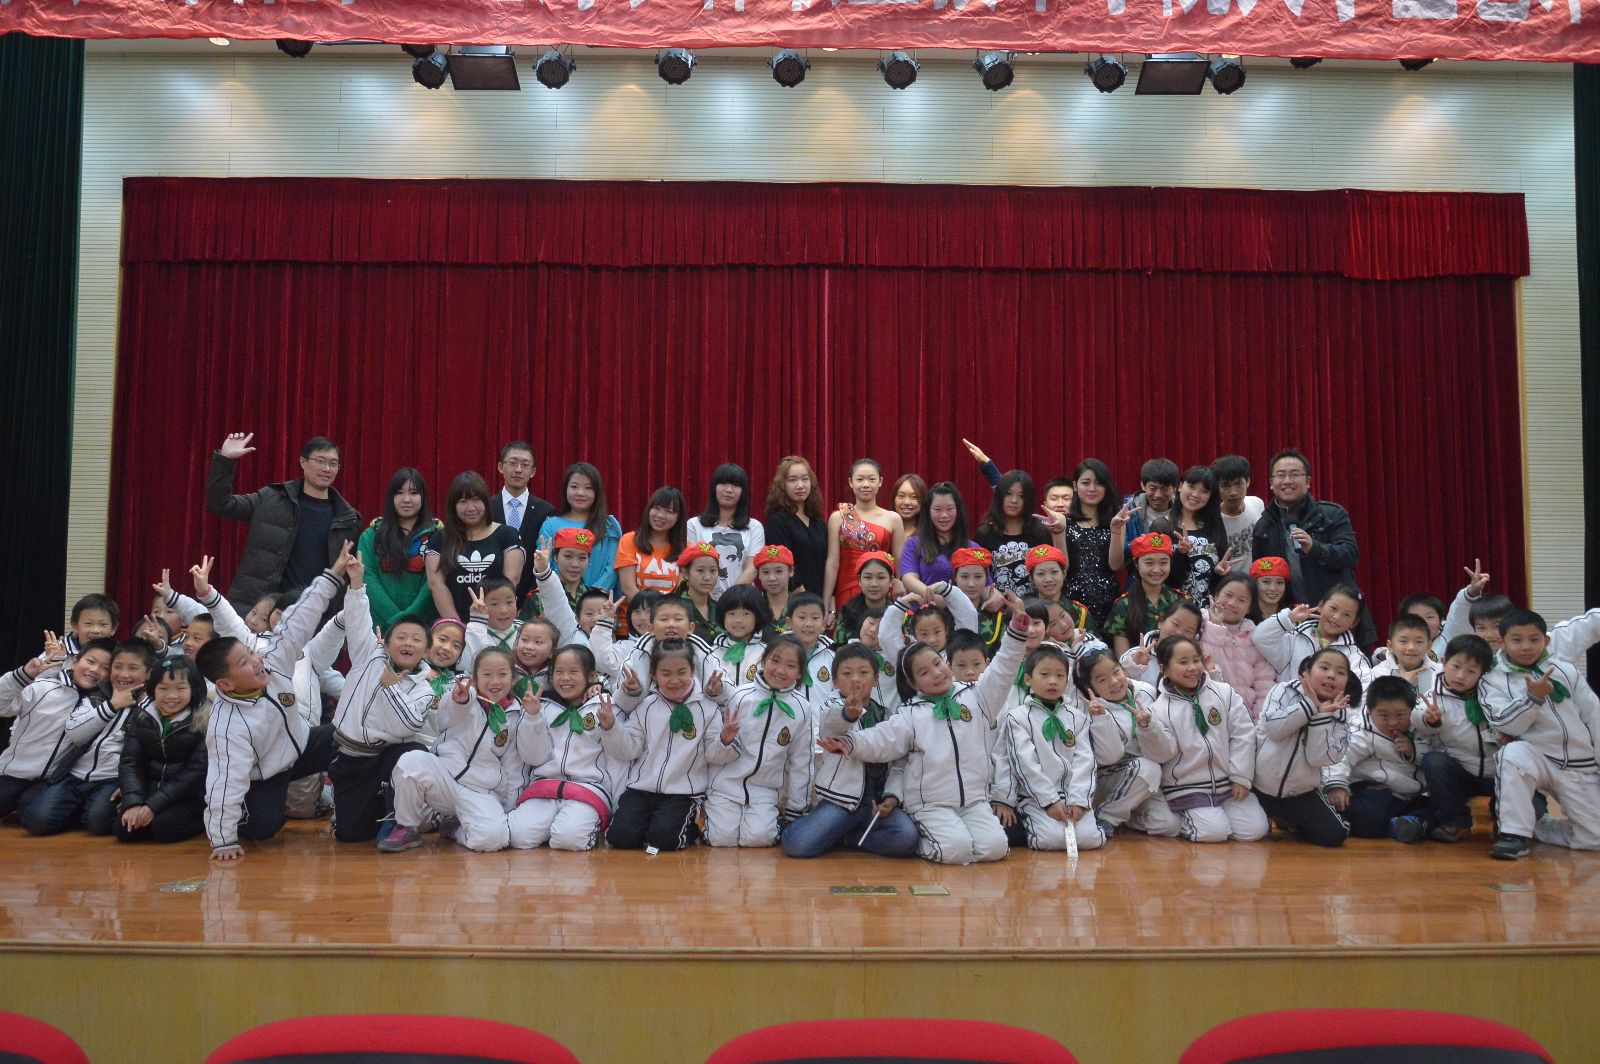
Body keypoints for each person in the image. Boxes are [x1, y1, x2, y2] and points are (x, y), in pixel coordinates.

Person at [820, 603, 1039, 865]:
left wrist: (1017, 630)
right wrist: (848, 742)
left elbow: (1003, 669)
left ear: (945, 661)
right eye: (924, 672)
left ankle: (958, 840)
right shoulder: (911, 714)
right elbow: (880, 740)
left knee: (996, 848)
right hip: (930, 805)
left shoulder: (977, 696)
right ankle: (924, 840)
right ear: (912, 683)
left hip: (974, 801)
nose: (936, 673)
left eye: (937, 663)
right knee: (955, 851)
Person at [196, 546, 352, 861]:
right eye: (244, 662)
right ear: (226, 684)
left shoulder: (272, 659)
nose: (257, 661)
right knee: (264, 828)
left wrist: (333, 575)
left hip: (300, 745)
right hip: (264, 772)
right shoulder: (226, 726)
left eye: (251, 653)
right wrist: (223, 841)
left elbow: (300, 618)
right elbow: (225, 782)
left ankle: (351, 812)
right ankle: (237, 815)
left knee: (353, 736)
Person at [327, 551, 436, 845]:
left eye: (416, 640)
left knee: (413, 752)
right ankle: (364, 808)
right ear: (385, 643)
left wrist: (391, 688)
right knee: (350, 835)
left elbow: (408, 725)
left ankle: (399, 819)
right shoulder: (368, 654)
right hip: (349, 755)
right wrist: (357, 583)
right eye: (401, 637)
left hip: (385, 756)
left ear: (426, 651)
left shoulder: (424, 688)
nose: (408, 643)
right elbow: (357, 620)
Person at [380, 651, 530, 854]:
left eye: (502, 674)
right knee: (411, 762)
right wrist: (460, 700)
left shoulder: (517, 716)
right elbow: (446, 716)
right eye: (487, 674)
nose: (495, 681)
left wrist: (509, 809)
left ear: (513, 679)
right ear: (475, 678)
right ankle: (408, 827)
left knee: (494, 838)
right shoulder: (462, 696)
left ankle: (452, 828)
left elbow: (514, 767)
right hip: (445, 778)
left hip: (482, 792)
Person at [1482, 609, 1600, 859]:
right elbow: (1505, 724)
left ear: (1546, 641)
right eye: (1517, 640)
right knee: (1512, 754)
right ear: (1502, 642)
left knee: (1595, 838)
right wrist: (1533, 698)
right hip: (1537, 757)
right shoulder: (1491, 678)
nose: (1526, 646)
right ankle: (1514, 834)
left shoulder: (1565, 670)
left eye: (1534, 639)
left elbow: (1594, 715)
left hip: (1579, 763)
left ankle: (1539, 827)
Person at [784, 642, 919, 858]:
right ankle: (825, 826)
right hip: (841, 802)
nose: (856, 679)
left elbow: (898, 763)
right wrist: (849, 714)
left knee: (906, 837)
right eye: (847, 673)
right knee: (797, 845)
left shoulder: (888, 716)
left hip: (876, 805)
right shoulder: (831, 708)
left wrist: (892, 796)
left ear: (876, 679)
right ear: (835, 681)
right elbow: (832, 724)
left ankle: (848, 838)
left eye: (864, 673)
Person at [204, 431, 361, 612]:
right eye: (320, 461)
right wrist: (225, 461)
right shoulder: (273, 498)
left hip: (319, 613)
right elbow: (221, 504)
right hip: (263, 609)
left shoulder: (348, 519)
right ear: (303, 462)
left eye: (333, 463)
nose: (327, 468)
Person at [1138, 634, 1268, 843]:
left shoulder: (1224, 693)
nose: (1192, 667)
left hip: (1228, 783)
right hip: (1188, 788)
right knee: (1214, 833)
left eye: (1196, 660)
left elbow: (1242, 734)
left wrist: (1241, 777)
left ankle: (1212, 816)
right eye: (1183, 662)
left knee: (1255, 831)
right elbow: (1162, 754)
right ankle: (1179, 819)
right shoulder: (1159, 709)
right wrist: (1148, 729)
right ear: (1164, 669)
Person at [606, 639, 731, 852]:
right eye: (666, 673)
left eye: (682, 672)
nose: (674, 680)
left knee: (664, 840)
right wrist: (611, 727)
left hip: (683, 792)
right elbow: (631, 748)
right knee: (620, 838)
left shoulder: (707, 708)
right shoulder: (646, 705)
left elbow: (714, 754)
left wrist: (725, 740)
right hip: (641, 788)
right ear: (654, 675)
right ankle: (652, 828)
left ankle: (686, 828)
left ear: (693, 671)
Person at [506, 646, 632, 852]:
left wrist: (611, 727)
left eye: (573, 671)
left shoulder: (605, 706)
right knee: (518, 837)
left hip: (588, 789)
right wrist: (532, 717)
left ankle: (567, 828)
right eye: (559, 671)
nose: (565, 678)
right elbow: (532, 757)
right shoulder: (541, 705)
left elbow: (620, 758)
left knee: (569, 839)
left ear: (591, 676)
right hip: (544, 787)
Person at [25, 640, 153, 836]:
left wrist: (133, 786)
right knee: (37, 822)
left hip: (111, 779)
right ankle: (77, 809)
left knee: (98, 823)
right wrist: (112, 705)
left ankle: (86, 810)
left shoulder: (149, 707)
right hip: (74, 775)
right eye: (118, 667)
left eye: (133, 668)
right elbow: (76, 734)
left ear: (148, 673)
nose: (124, 674)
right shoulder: (95, 696)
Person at [1002, 643, 1120, 853]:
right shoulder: (1018, 718)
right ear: (1028, 679)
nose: (1052, 681)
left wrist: (1079, 801)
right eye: (1044, 674)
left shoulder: (1077, 717)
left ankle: (1092, 821)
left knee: (1090, 840)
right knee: (1051, 840)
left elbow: (1085, 761)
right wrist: (1049, 801)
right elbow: (1025, 765)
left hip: (1073, 795)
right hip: (1037, 798)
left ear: (1067, 680)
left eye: (1059, 675)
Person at [1249, 449, 1373, 644]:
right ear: (1271, 483)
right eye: (1280, 475)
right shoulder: (1264, 526)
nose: (1287, 481)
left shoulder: (1330, 514)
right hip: (1296, 620)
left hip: (1338, 617)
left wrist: (1315, 548)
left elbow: (1350, 555)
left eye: (1294, 474)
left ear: (1308, 481)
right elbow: (1261, 574)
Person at [703, 635, 814, 848]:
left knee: (758, 839)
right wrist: (725, 741)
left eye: (791, 666)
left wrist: (795, 808)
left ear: (800, 673)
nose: (780, 670)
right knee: (722, 839)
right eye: (775, 661)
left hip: (765, 791)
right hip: (725, 785)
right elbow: (713, 753)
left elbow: (802, 761)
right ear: (763, 661)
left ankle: (771, 823)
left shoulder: (802, 708)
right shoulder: (740, 696)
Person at [0, 636, 116, 821]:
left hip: (50, 781)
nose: (95, 670)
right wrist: (23, 675)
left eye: (106, 668)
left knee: (32, 810)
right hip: (13, 773)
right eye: (91, 661)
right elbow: (2, 706)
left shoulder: (101, 705)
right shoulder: (44, 688)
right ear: (75, 660)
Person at [1252, 648, 1359, 848]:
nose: (1331, 675)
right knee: (1252, 832)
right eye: (1324, 668)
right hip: (1259, 787)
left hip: (1301, 794)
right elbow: (1274, 729)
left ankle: (1288, 820)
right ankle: (1276, 817)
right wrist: (1309, 706)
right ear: (1307, 673)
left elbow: (1318, 759)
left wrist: (1321, 717)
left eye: (1340, 672)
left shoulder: (1341, 715)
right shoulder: (1284, 690)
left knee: (1335, 835)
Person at [1324, 675, 1433, 842]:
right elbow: (1341, 756)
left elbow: (1434, 752)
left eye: (1400, 715)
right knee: (1372, 817)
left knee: (1443, 808)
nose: (1393, 722)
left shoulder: (1420, 727)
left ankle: (1409, 823)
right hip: (1372, 790)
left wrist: (1413, 751)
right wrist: (1336, 785)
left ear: (1412, 709)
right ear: (1369, 710)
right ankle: (1321, 814)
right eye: (1384, 716)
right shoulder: (1362, 731)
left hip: (1406, 795)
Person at [115, 655, 209, 844]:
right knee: (123, 829)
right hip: (151, 790)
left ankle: (204, 819)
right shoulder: (142, 715)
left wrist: (153, 806)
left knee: (164, 829)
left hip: (190, 795)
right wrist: (134, 803)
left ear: (194, 689)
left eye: (180, 688)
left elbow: (196, 772)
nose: (171, 696)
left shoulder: (205, 720)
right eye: (163, 688)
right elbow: (130, 762)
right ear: (153, 689)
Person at [1415, 634, 1498, 843]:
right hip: (1462, 773)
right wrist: (1429, 719)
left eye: (1471, 671)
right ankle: (1457, 822)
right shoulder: (1433, 696)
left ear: (1482, 673)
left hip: (1498, 772)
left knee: (1535, 807)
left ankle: (1506, 820)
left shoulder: (1494, 694)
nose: (1461, 676)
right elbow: (1417, 715)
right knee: (1434, 761)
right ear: (1444, 662)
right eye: (1456, 666)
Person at [425, 471, 525, 623]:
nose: (471, 508)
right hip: (452, 627)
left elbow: (511, 580)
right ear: (453, 506)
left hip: (495, 625)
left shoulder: (507, 535)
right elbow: (436, 583)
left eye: (476, 499)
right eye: (463, 501)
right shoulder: (439, 538)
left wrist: (489, 623)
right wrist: (456, 626)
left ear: (486, 501)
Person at [356, 467, 440, 632]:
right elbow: (368, 579)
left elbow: (433, 583)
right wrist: (396, 620)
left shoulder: (437, 535)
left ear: (423, 497)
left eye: (413, 493)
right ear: (391, 497)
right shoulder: (371, 535)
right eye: (399, 493)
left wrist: (409, 618)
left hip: (423, 629)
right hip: (378, 629)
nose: (406, 499)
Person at [823, 459, 906, 614]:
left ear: (880, 482)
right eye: (860, 479)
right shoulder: (838, 517)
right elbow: (832, 562)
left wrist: (900, 587)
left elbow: (899, 563)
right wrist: (826, 601)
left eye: (872, 479)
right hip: (846, 589)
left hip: (881, 588)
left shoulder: (893, 519)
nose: (866, 484)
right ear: (851, 482)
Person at [1253, 584, 1373, 685]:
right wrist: (1288, 618)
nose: (1337, 617)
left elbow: (1365, 688)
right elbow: (1260, 637)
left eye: (1347, 615)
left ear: (1354, 622)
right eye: (1333, 608)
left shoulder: (1354, 656)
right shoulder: (1293, 639)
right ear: (1320, 606)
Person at [536, 462, 623, 593]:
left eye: (588, 488)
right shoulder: (550, 525)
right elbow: (544, 564)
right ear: (566, 489)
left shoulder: (609, 525)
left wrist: (591, 597)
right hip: (558, 597)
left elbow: (612, 569)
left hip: (598, 601)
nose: (580, 493)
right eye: (574, 487)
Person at [488, 441, 556, 605]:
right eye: (512, 463)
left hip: (532, 599)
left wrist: (529, 600)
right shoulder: (486, 508)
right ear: (500, 467)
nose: (518, 470)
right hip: (490, 597)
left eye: (525, 465)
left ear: (533, 472)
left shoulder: (546, 511)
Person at [685, 464, 765, 598]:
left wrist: (729, 599)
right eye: (723, 483)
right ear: (714, 488)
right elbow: (690, 565)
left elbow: (752, 568)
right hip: (702, 600)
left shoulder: (754, 527)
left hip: (741, 600)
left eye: (735, 485)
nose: (728, 490)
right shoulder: (694, 525)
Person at [1202, 574, 1276, 719]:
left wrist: (1259, 720)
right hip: (1212, 713)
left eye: (1242, 600)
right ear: (1216, 596)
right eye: (1228, 595)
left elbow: (1264, 682)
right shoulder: (1200, 625)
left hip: (1246, 716)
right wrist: (1216, 626)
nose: (1232, 603)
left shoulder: (1254, 636)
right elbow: (1209, 666)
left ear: (1249, 608)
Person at [1103, 533, 1187, 657]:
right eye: (1149, 563)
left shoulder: (1182, 602)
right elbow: (1123, 659)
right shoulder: (1122, 606)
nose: (1156, 570)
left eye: (1163, 563)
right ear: (1136, 564)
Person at [975, 470, 1056, 598]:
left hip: (1035, 605)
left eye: (1021, 496)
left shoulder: (1040, 532)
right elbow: (979, 575)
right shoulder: (985, 533)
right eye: (1008, 494)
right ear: (1000, 496)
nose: (1014, 500)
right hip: (997, 606)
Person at [1062, 460, 1121, 625]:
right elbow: (1062, 568)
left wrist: (1117, 529)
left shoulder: (1116, 521)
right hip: (1072, 602)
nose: (1092, 489)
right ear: (1075, 486)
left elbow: (1116, 565)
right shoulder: (1064, 522)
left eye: (1099, 483)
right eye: (1086, 483)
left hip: (1109, 601)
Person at [1168, 465, 1234, 607]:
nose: (1196, 495)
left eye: (1204, 491)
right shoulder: (1163, 525)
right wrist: (1180, 554)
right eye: (1191, 486)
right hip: (1173, 611)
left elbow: (1219, 581)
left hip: (1209, 611)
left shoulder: (1214, 526)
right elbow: (1160, 577)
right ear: (1179, 486)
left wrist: (1219, 572)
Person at [898, 482, 978, 596]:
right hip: (925, 606)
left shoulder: (972, 548)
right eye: (937, 509)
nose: (944, 515)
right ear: (928, 512)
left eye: (950, 509)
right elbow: (908, 578)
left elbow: (985, 584)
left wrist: (994, 595)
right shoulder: (914, 544)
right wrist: (933, 597)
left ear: (958, 510)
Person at [763, 457, 828, 596]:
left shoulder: (819, 522)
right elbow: (783, 563)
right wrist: (805, 600)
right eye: (792, 480)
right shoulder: (777, 521)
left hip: (820, 600)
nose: (800, 485)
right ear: (782, 485)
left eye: (805, 479)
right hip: (793, 600)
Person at [615, 486, 688, 598]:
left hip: (670, 608)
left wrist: (666, 609)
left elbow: (681, 592)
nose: (660, 515)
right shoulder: (629, 540)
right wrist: (647, 608)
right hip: (636, 608)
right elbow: (628, 588)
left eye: (669, 511)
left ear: (678, 517)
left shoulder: (686, 548)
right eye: (656, 508)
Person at [1111, 458, 1180, 564]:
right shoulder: (1129, 511)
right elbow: (1117, 565)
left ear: (1175, 487)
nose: (1158, 495)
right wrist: (1136, 544)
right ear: (1143, 485)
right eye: (1152, 488)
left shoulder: (1183, 510)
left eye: (1164, 489)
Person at [1210, 455, 1265, 566]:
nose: (1233, 492)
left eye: (1239, 483)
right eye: (1225, 486)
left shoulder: (1257, 503)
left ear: (1248, 481)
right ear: (1216, 487)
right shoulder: (1211, 520)